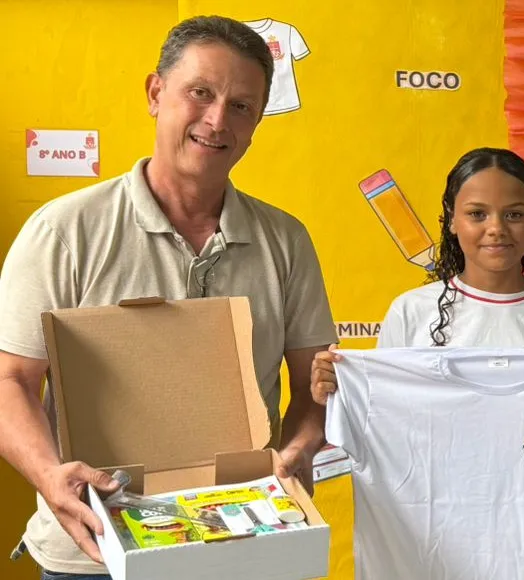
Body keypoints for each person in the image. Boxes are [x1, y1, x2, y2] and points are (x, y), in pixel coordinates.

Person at [0, 16, 337, 580]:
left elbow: (314, 387)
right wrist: (49, 477)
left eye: (241, 106)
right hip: (93, 553)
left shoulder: (286, 241)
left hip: (243, 541)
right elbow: (10, 380)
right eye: (200, 93)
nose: (217, 120)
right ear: (156, 93)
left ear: (257, 121)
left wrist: (300, 449)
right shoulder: (64, 232)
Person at [308, 148, 524, 402]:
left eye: (513, 215)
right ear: (452, 220)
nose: (496, 229)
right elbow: (382, 410)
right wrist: (339, 388)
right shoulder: (410, 312)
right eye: (477, 214)